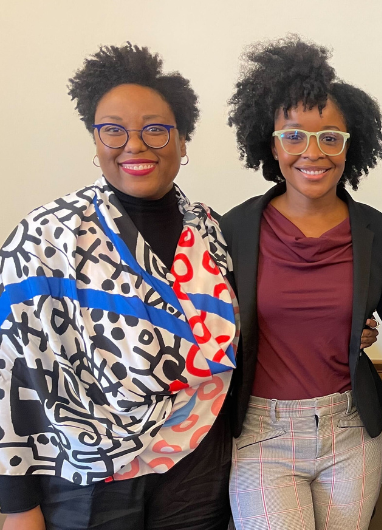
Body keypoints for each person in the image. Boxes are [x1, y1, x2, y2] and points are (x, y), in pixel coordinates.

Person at [0, 44, 236, 530]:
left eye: (155, 128)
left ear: (183, 139)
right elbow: (12, 378)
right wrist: (14, 504)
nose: (135, 144)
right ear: (95, 139)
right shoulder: (46, 237)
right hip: (84, 476)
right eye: (113, 129)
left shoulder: (213, 233)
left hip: (198, 468)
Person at [221, 37, 382, 530]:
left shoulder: (377, 232)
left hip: (349, 433)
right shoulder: (232, 231)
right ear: (271, 143)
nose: (312, 152)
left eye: (330, 138)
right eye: (294, 135)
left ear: (350, 145)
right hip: (261, 434)